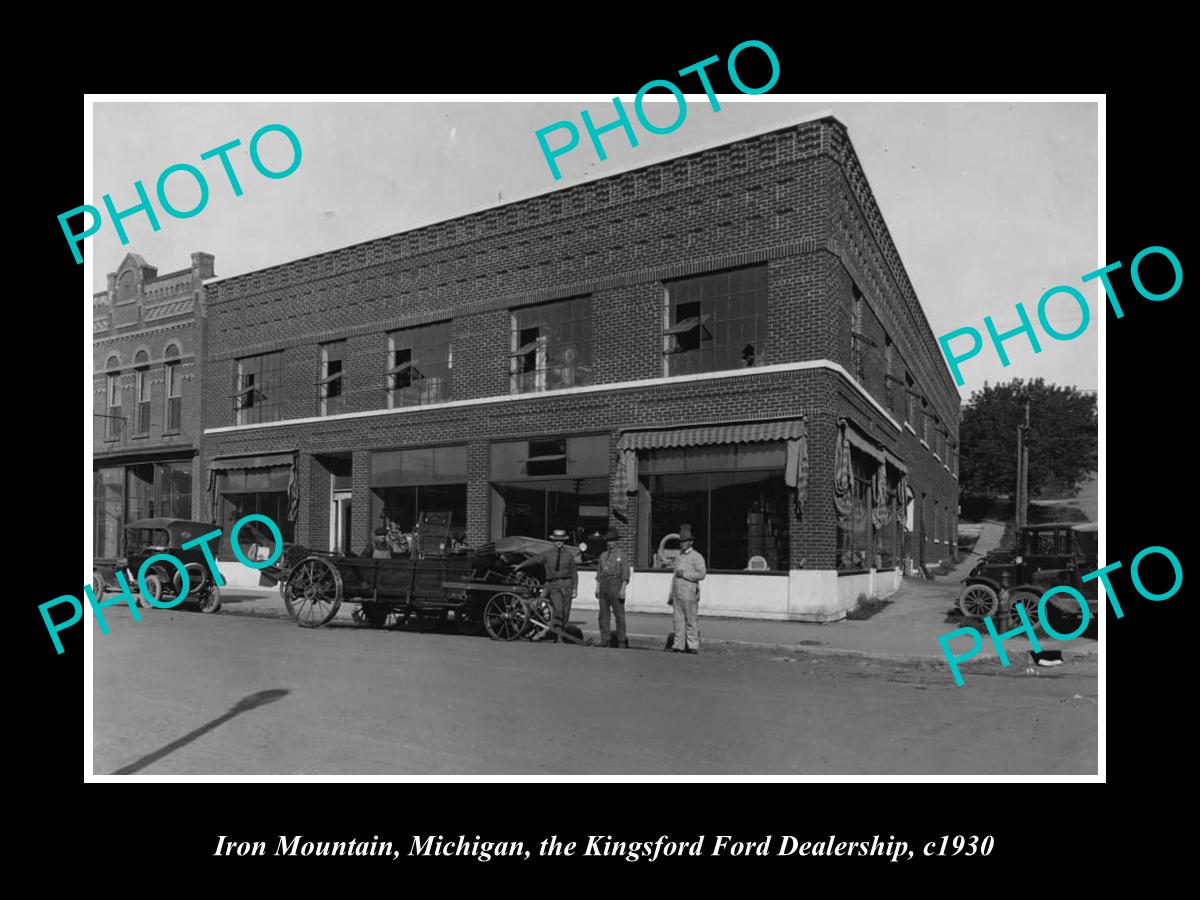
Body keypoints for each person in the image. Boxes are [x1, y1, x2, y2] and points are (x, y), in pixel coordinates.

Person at [517, 528, 578, 643]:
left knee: (566, 612)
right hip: (554, 585)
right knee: (558, 610)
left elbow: (574, 572)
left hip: (567, 585)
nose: (559, 543)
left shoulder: (569, 555)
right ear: (553, 541)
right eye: (557, 540)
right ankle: (558, 636)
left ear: (564, 541)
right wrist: (521, 565)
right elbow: (535, 560)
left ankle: (560, 634)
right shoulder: (547, 554)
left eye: (561, 541)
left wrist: (575, 588)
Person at [669, 524, 707, 654]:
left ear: (691, 542)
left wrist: (685, 575)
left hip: (690, 592)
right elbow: (674, 576)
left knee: (691, 619)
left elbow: (702, 574)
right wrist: (671, 593)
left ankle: (692, 645)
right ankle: (678, 645)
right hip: (678, 592)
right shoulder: (679, 557)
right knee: (678, 620)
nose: (682, 544)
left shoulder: (697, 557)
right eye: (681, 541)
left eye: (685, 541)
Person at [595, 527, 632, 648]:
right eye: (608, 540)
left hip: (616, 584)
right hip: (604, 583)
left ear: (616, 541)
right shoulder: (603, 555)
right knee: (603, 614)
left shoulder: (622, 555)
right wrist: (597, 587)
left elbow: (625, 573)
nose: (609, 543)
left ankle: (621, 640)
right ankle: (605, 639)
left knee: (619, 614)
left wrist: (623, 589)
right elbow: (599, 573)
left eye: (612, 540)